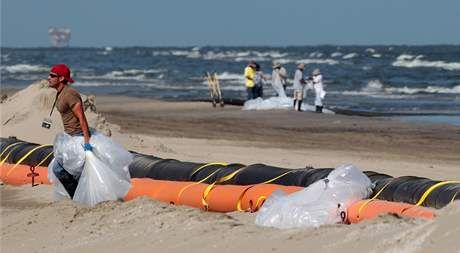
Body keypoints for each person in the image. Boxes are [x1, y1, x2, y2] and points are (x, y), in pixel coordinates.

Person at [47, 64, 131, 203]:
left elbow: (81, 118)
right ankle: (79, 197)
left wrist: (87, 141)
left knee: (63, 169)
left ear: (61, 78)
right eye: (49, 75)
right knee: (62, 169)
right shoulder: (60, 93)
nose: (48, 78)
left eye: (52, 76)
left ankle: (80, 198)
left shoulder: (70, 94)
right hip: (69, 137)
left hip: (79, 137)